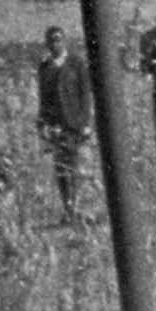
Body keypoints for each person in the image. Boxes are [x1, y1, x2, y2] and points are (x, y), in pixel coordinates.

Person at [35, 26, 92, 221]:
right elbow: (44, 97)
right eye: (51, 40)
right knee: (60, 167)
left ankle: (75, 206)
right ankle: (67, 208)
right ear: (47, 43)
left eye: (58, 39)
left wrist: (85, 122)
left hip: (74, 122)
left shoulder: (76, 63)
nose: (55, 44)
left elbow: (85, 94)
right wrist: (43, 123)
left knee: (74, 164)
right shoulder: (45, 67)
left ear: (64, 41)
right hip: (56, 124)